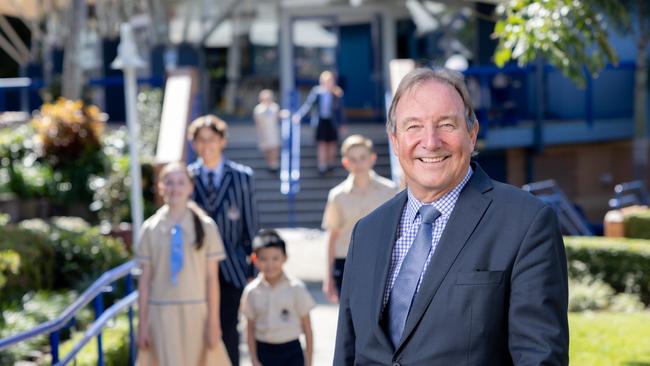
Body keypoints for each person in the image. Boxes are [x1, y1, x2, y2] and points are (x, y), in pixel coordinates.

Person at [334, 67, 569, 365]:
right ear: (395, 141)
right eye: (413, 126)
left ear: (472, 134)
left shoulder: (526, 223)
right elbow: (347, 352)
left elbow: (539, 358)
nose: (430, 142)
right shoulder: (367, 231)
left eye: (446, 124)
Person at [135, 162, 231, 366]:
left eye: (180, 182)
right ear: (160, 187)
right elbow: (144, 283)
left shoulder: (206, 227)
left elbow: (212, 279)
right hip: (160, 314)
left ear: (190, 187)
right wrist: (142, 325)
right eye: (168, 182)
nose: (174, 188)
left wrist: (214, 321)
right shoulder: (150, 229)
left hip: (196, 313)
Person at [187, 115, 259, 366]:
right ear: (194, 144)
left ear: (222, 141)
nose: (207, 145)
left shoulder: (242, 177)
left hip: (231, 269)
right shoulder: (186, 178)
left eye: (212, 139)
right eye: (201, 140)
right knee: (197, 331)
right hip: (194, 270)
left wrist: (253, 268)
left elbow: (251, 227)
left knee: (228, 331)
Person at [322, 134, 397, 302]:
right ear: (345, 163)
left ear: (372, 158)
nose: (358, 163)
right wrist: (328, 277)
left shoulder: (390, 190)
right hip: (347, 264)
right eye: (353, 159)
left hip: (382, 262)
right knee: (352, 321)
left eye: (363, 158)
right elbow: (331, 236)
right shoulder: (337, 196)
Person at [241, 229, 315, 366]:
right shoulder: (251, 292)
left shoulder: (296, 288)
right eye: (263, 259)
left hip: (292, 352)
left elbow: (308, 328)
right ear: (255, 259)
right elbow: (249, 328)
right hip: (264, 351)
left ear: (285, 258)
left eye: (275, 258)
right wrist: (253, 359)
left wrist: (309, 361)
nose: (270, 264)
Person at [294, 70, 345, 174]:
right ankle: (322, 165)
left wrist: (342, 123)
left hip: (332, 122)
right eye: (325, 81)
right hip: (321, 122)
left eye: (330, 80)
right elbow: (309, 105)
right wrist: (299, 115)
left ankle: (331, 164)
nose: (328, 83)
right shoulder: (317, 92)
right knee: (322, 144)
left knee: (332, 144)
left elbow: (340, 110)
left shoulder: (337, 93)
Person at [253, 89, 281, 172]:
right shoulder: (258, 109)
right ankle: (269, 164)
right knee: (267, 148)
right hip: (264, 131)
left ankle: (274, 164)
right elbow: (257, 122)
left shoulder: (275, 107)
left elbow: (278, 117)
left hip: (273, 130)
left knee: (274, 147)